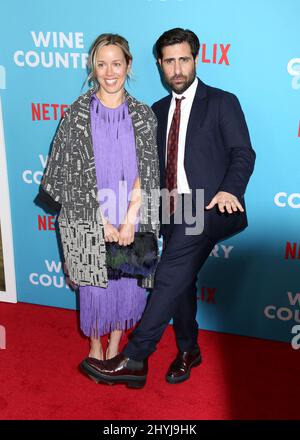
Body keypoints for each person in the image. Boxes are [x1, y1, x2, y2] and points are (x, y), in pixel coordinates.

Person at [80, 28, 256, 387]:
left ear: (196, 59)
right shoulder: (156, 111)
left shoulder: (222, 102)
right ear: (160, 64)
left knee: (168, 273)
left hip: (208, 206)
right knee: (180, 279)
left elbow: (242, 153)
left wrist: (229, 190)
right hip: (168, 210)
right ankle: (189, 349)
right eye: (169, 61)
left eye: (184, 59)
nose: (177, 68)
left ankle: (135, 357)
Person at [40, 33, 160, 361]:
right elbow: (67, 172)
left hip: (130, 210)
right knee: (94, 284)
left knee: (126, 281)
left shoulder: (143, 115)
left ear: (128, 66)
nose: (110, 72)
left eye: (116, 64)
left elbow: (148, 173)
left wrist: (130, 220)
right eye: (102, 64)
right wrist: (100, 220)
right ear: (93, 68)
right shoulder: (77, 114)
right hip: (87, 212)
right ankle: (94, 343)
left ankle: (115, 342)